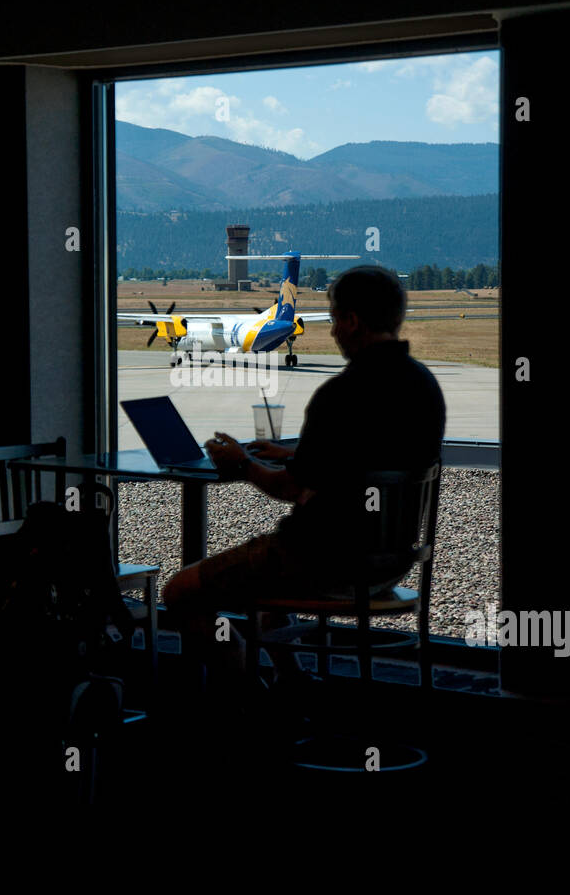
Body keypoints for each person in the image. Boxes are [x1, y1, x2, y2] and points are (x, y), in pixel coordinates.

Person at [163, 265, 445, 701]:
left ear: (353, 320)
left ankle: (247, 700)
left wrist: (243, 464)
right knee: (271, 603)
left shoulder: (341, 394)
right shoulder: (425, 387)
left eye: (334, 319)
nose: (332, 331)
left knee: (180, 593)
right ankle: (293, 686)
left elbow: (290, 490)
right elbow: (372, 457)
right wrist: (297, 454)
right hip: (389, 564)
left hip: (321, 561)